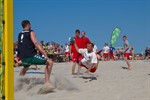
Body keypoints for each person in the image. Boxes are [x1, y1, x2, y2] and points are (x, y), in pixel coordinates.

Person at [18, 20, 53, 84]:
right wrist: (44, 53)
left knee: (26, 67)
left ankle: (19, 82)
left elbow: (19, 46)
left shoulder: (20, 34)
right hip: (31, 56)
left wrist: (19, 57)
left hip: (23, 57)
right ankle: (47, 82)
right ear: (28, 25)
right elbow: (36, 43)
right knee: (50, 62)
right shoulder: (31, 32)